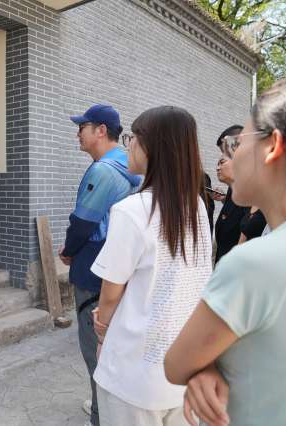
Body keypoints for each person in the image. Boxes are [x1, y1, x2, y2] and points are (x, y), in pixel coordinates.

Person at [165, 74, 286, 426]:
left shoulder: (254, 262)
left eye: (236, 143)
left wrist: (205, 365)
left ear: (272, 146)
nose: (231, 156)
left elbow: (176, 364)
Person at [90, 106, 212, 425]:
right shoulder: (197, 206)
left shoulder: (130, 210)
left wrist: (102, 332)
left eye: (133, 137)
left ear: (152, 147)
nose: (128, 144)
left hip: (133, 373)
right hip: (182, 369)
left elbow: (111, 292)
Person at [58, 104, 141, 426]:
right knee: (117, 348)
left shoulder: (103, 170)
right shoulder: (131, 167)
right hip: (123, 266)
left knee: (95, 347)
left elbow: (83, 222)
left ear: (101, 131)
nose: (77, 133)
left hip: (95, 268)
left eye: (82, 127)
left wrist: (69, 251)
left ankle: (100, 415)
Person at [213, 126, 250, 263]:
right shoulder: (234, 187)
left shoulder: (252, 188)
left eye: (226, 153)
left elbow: (248, 229)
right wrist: (224, 199)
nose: (223, 157)